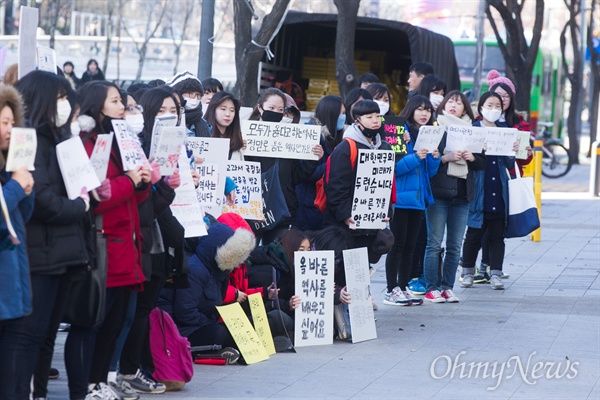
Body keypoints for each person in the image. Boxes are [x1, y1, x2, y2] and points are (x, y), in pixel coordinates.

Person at [7, 71, 105, 400]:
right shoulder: (29, 140)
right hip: (40, 253)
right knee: (27, 338)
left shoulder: (57, 138)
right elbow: (41, 199)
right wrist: (79, 206)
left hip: (61, 252)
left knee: (43, 335)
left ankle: (37, 393)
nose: (65, 105)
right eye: (61, 98)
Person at [79, 80, 151, 398]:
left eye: (122, 101)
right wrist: (128, 180)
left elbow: (132, 198)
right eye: (115, 101)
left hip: (126, 245)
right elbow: (98, 197)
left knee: (117, 320)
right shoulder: (89, 144)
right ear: (97, 106)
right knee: (99, 320)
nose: (122, 107)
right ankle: (89, 383)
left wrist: (143, 181)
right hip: (105, 244)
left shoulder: (122, 142)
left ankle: (100, 380)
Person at [422, 91, 485, 303]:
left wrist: (472, 157)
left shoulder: (473, 131)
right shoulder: (436, 128)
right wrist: (445, 158)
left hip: (462, 195)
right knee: (434, 243)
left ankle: (447, 286)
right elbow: (427, 161)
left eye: (458, 103)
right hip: (439, 194)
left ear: (465, 109)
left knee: (455, 245)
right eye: (450, 101)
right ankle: (432, 287)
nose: (453, 105)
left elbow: (481, 164)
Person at [157, 222, 255, 357]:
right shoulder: (195, 270)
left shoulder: (218, 272)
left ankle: (226, 349)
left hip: (197, 324)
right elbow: (185, 311)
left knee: (244, 326)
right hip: (181, 329)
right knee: (222, 333)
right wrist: (209, 323)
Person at [246, 88, 323, 244]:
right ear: (260, 108)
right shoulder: (246, 135)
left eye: (280, 109)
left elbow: (296, 176)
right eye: (271, 108)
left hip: (282, 208)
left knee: (278, 256)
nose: (276, 112)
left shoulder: (289, 140)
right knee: (248, 256)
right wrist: (240, 148)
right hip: (252, 207)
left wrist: (313, 159)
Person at [384, 95, 440, 306]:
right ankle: (391, 289)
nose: (424, 114)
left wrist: (433, 157)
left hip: (419, 200)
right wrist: (415, 156)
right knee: (396, 246)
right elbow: (394, 169)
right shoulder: (400, 133)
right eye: (420, 109)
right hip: (401, 200)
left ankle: (404, 286)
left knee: (410, 247)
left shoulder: (426, 135)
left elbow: (429, 173)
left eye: (428, 110)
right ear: (411, 110)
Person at [0, 85, 35, 400]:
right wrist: (14, 188)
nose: (9, 128)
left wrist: (24, 184)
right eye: (3, 121)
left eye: (12, 122)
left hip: (13, 282)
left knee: (11, 368)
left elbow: (22, 215)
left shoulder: (7, 167)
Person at [460, 91, 516, 290]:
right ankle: (468, 271)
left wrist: (514, 151)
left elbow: (509, 162)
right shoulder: (473, 129)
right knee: (474, 233)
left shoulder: (504, 129)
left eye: (498, 106)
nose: (494, 110)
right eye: (490, 105)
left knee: (497, 235)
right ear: (481, 107)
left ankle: (496, 273)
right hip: (478, 188)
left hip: (498, 188)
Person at [295, 95, 345, 231]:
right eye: (342, 114)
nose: (344, 118)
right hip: (310, 206)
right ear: (332, 114)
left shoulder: (338, 138)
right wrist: (333, 163)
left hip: (326, 206)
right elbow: (308, 174)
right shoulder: (311, 136)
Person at [167, 71, 211, 138]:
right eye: (191, 94)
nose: (195, 98)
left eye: (198, 95)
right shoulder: (167, 120)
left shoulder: (204, 124)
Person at [204, 91, 245, 160]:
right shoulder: (202, 135)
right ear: (213, 110)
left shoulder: (237, 142)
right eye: (223, 109)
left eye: (232, 110)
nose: (228, 114)